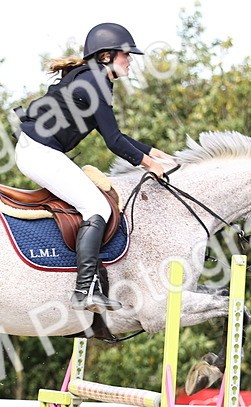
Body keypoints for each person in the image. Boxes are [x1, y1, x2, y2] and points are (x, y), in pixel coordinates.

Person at [14, 22, 175, 313]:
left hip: (39, 150)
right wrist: (150, 166)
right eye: (126, 54)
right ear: (105, 56)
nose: (131, 60)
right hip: (39, 152)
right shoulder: (94, 83)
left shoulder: (94, 80)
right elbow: (114, 142)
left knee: (94, 204)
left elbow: (117, 136)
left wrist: (157, 155)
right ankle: (85, 290)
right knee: (96, 208)